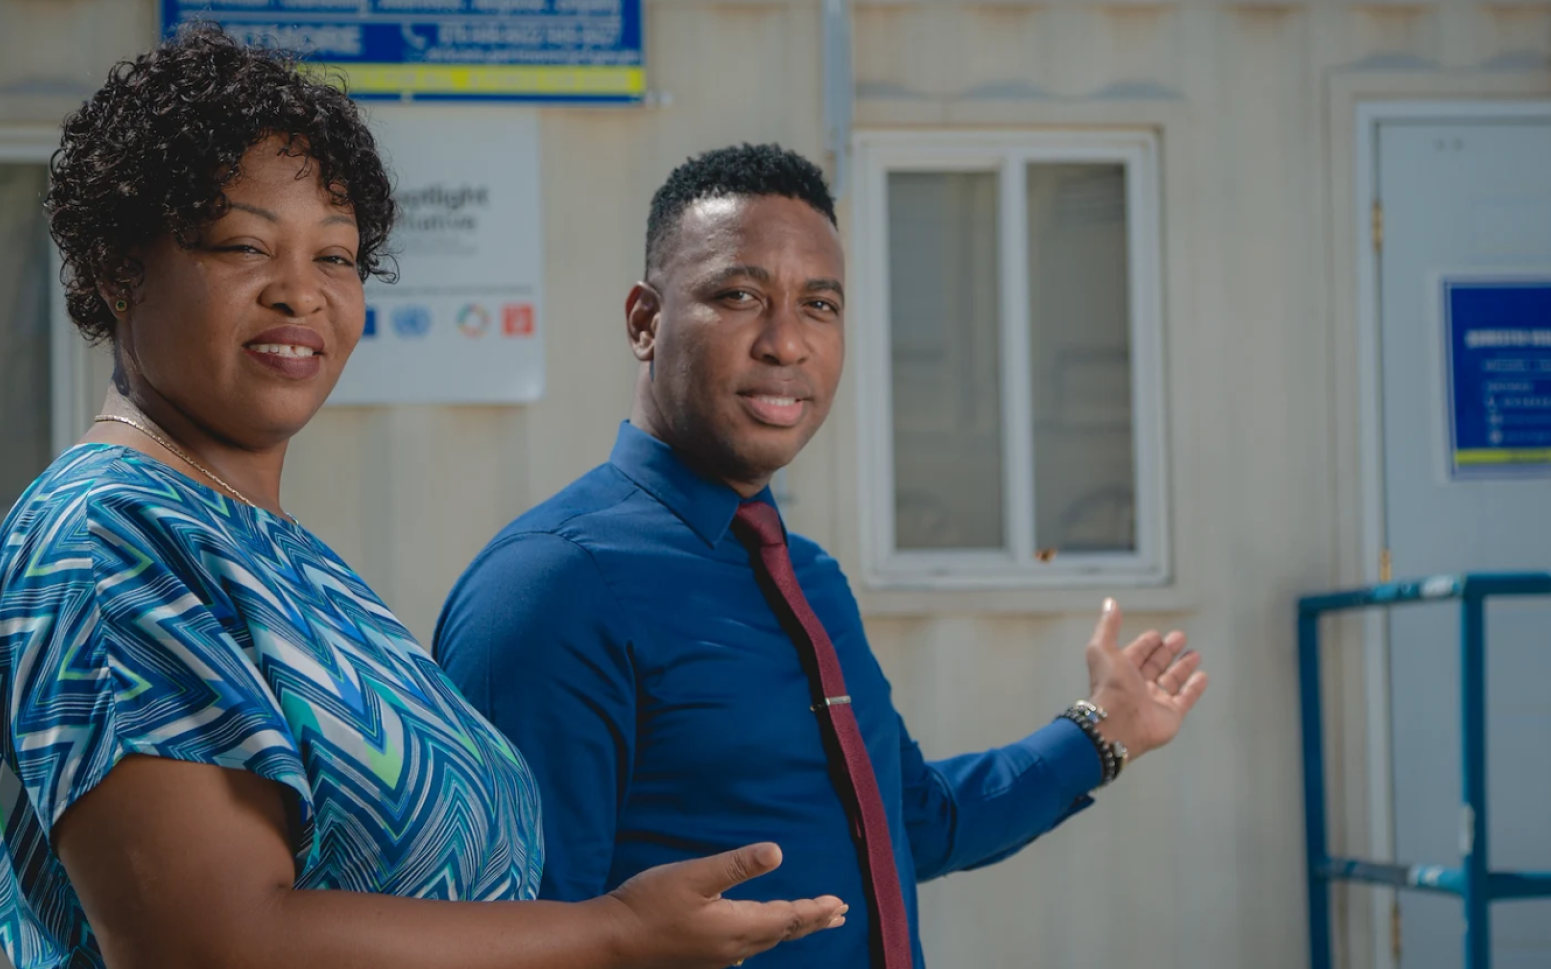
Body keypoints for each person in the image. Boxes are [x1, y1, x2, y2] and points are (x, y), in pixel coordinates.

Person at [0, 34, 846, 969]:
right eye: (243, 245)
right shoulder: (107, 538)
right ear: (119, 268)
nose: (300, 293)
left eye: (337, 257)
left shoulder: (269, 547)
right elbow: (211, 943)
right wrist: (613, 933)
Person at [435, 143, 1210, 969]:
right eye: (738, 295)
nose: (786, 343)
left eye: (819, 305)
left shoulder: (807, 578)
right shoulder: (553, 586)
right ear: (644, 321)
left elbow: (908, 823)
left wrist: (1100, 733)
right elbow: (509, 939)